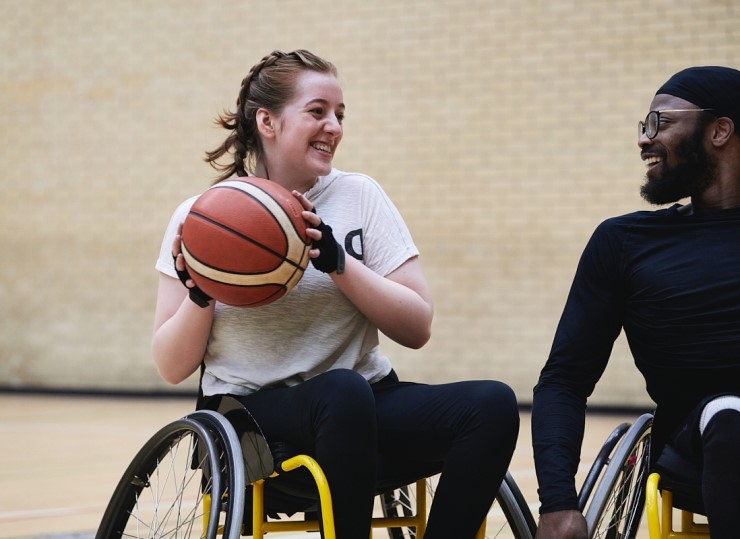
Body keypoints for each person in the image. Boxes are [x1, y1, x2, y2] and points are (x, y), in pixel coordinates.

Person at [152, 49, 519, 539]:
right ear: (268, 121)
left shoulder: (360, 197)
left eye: (340, 115)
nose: (335, 127)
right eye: (318, 111)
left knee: (492, 404)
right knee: (342, 391)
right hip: (251, 418)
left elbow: (417, 327)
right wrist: (200, 297)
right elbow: (171, 366)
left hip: (362, 405)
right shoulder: (201, 218)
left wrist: (340, 264)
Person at [532, 65, 740, 539]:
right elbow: (564, 379)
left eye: (660, 123)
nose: (645, 140)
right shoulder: (625, 241)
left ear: (719, 130)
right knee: (728, 415)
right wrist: (559, 503)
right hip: (702, 446)